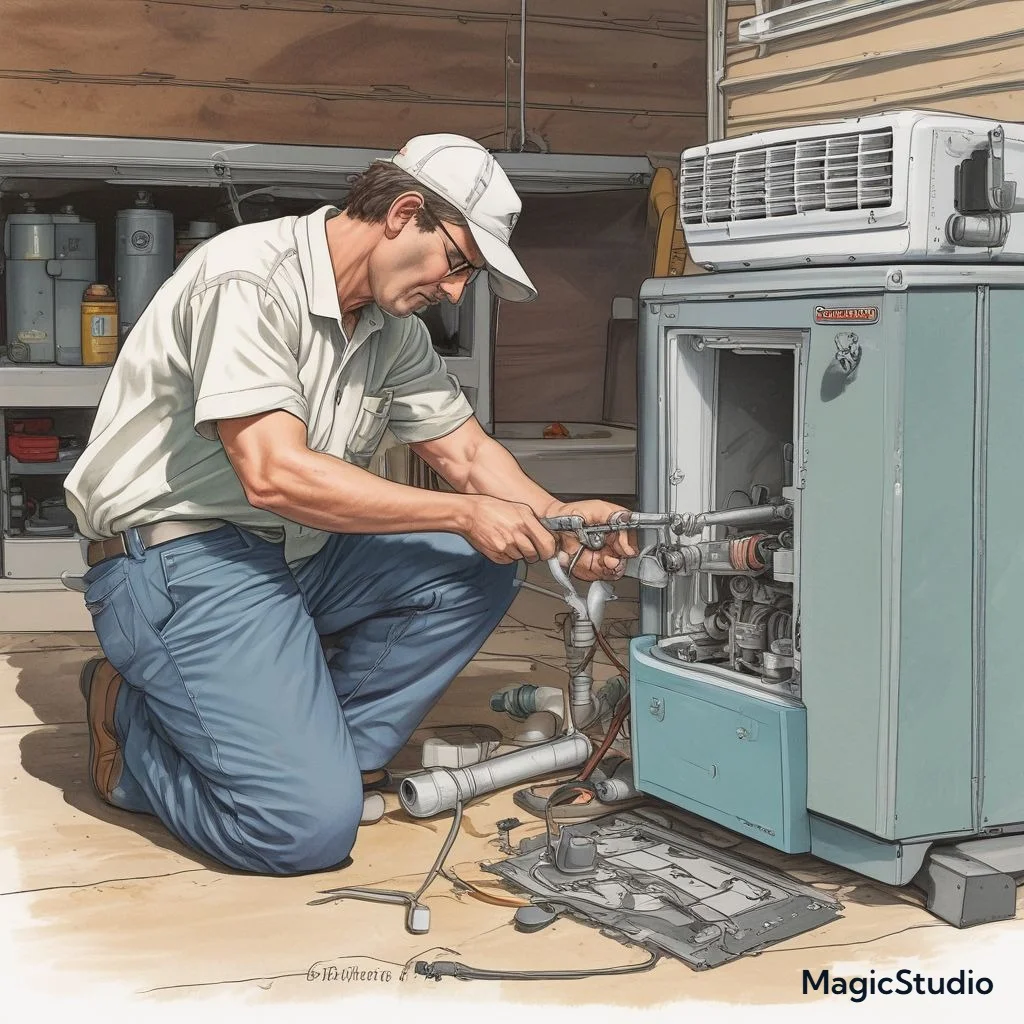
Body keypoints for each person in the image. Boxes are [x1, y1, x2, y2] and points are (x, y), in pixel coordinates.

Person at [64, 133, 636, 876]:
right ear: (403, 213)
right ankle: (135, 729)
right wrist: (461, 512)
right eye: (459, 263)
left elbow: (465, 454)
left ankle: (332, 750)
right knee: (300, 832)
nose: (458, 291)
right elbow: (273, 474)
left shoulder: (392, 330)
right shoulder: (248, 278)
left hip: (292, 556)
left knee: (474, 562)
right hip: (182, 561)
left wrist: (560, 525)